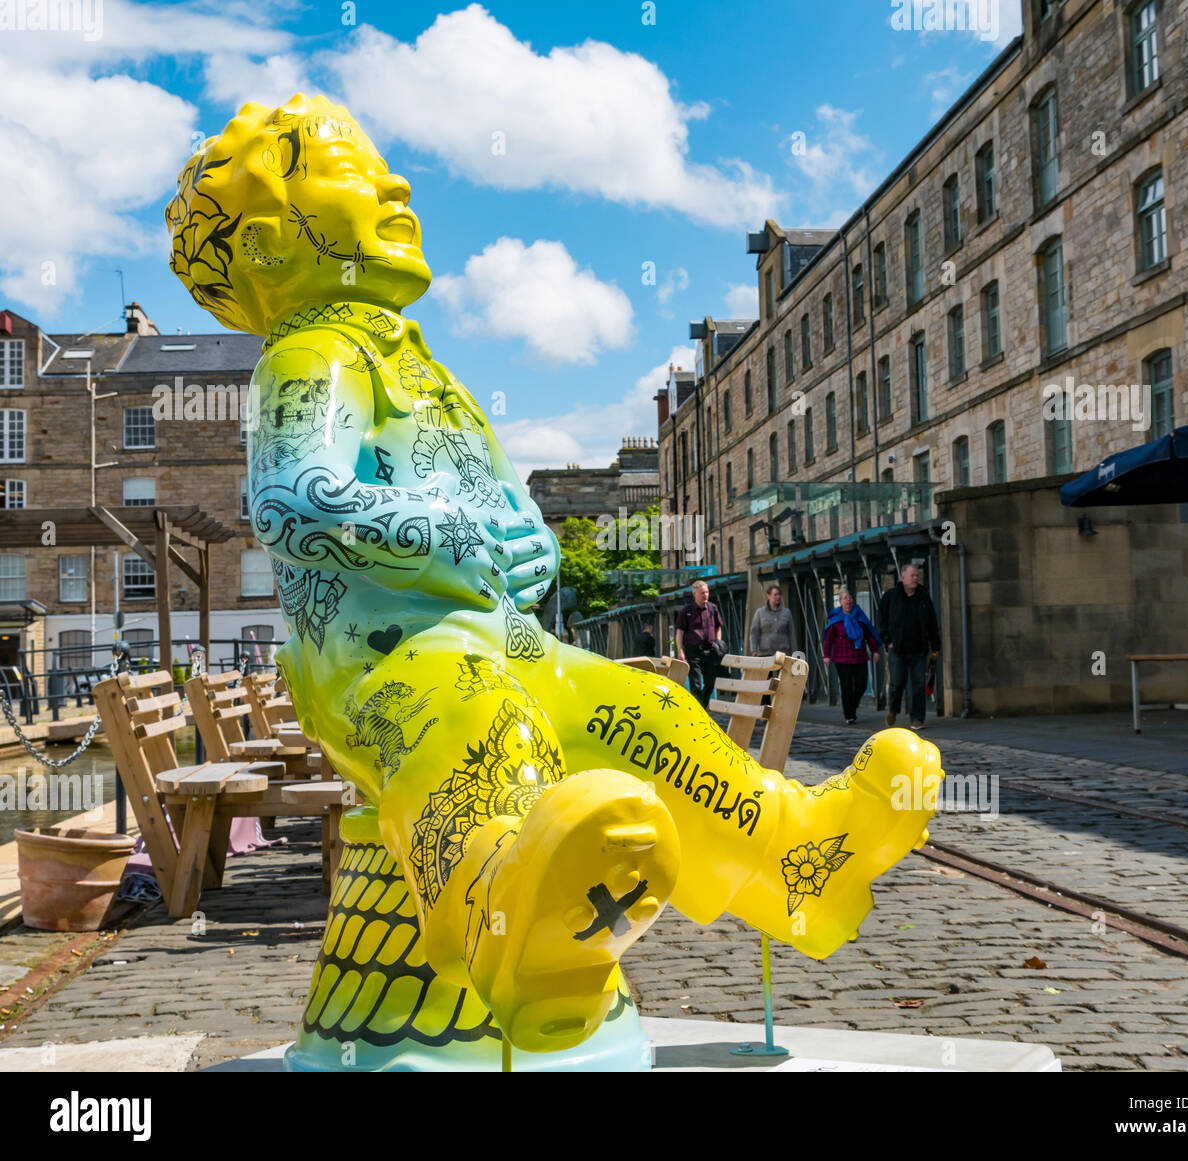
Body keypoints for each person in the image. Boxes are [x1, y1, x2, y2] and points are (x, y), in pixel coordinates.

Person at [165, 94, 943, 1066]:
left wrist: (521, 542)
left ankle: (800, 857)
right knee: (468, 719)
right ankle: (502, 911)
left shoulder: (412, 365)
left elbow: (498, 512)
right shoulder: (311, 354)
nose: (397, 185)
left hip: (498, 639)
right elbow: (297, 500)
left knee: (642, 711)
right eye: (356, 176)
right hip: (382, 659)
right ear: (276, 248)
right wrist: (450, 535)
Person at [879, 564, 941, 730]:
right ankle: (893, 709)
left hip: (919, 649)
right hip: (897, 649)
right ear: (903, 577)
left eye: (917, 575)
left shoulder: (923, 597)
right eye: (913, 575)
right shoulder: (891, 596)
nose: (916, 578)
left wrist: (936, 646)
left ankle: (917, 718)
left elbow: (932, 623)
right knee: (897, 682)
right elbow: (882, 620)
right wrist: (887, 640)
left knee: (919, 685)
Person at [822, 589, 881, 725]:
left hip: (859, 656)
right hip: (842, 658)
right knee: (846, 686)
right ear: (840, 602)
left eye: (850, 598)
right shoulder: (835, 620)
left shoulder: (860, 616)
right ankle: (849, 714)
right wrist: (826, 656)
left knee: (861, 684)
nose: (848, 601)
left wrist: (875, 651)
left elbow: (869, 635)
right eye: (845, 598)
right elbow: (829, 640)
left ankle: (852, 706)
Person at [675, 579, 724, 708]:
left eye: (707, 592)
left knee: (710, 682)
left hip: (710, 650)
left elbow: (719, 626)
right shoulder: (686, 611)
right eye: (702, 593)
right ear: (694, 594)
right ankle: (699, 709)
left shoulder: (713, 608)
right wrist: (680, 650)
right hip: (693, 651)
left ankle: (702, 706)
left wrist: (718, 641)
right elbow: (679, 632)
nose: (706, 595)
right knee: (695, 684)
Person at [749, 584, 796, 656]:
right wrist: (753, 650)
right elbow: (754, 633)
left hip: (783, 654)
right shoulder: (760, 612)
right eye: (775, 595)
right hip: (765, 654)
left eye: (779, 594)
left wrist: (794, 653)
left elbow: (792, 634)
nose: (778, 597)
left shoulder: (787, 613)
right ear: (768, 596)